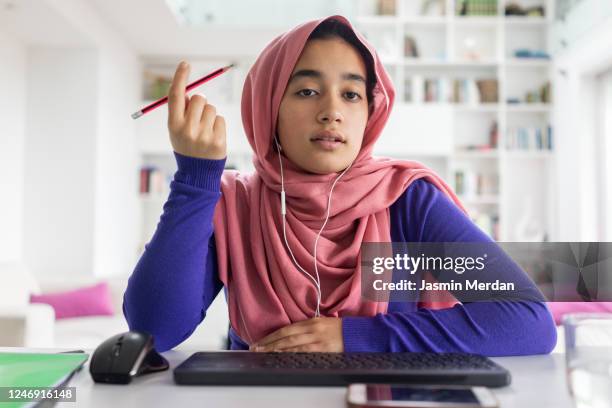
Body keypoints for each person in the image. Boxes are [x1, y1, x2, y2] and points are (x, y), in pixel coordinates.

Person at [123, 15, 557, 354]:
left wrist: (353, 336)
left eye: (351, 95)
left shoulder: (405, 201)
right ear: (267, 108)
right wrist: (195, 179)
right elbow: (154, 329)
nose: (332, 112)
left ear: (371, 111)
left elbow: (525, 319)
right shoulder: (236, 203)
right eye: (307, 92)